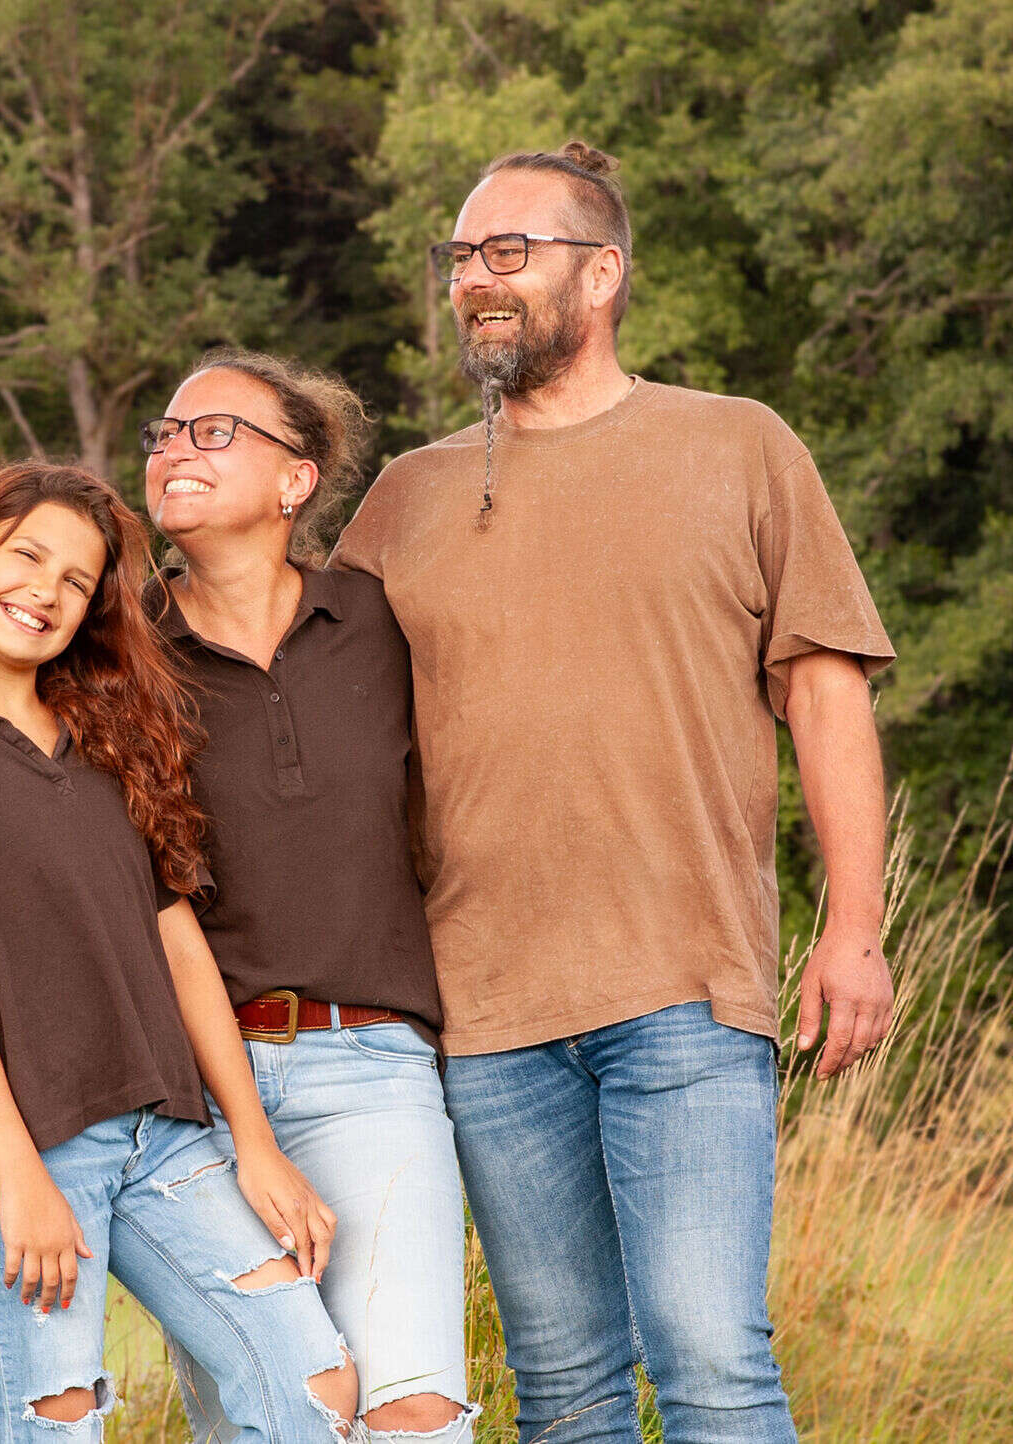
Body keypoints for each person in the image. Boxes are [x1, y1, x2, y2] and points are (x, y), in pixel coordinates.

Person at [331, 141, 896, 1444]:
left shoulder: (738, 447)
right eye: (459, 258)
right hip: (482, 1014)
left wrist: (854, 929)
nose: (473, 279)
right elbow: (306, 710)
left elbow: (825, 696)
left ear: (602, 275)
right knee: (565, 1386)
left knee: (709, 1359)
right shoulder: (407, 500)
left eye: (506, 251)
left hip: (685, 989)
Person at [0, 462, 361, 1443]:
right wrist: (17, 1173)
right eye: (26, 556)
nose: (45, 590)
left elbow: (179, 947)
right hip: (24, 1147)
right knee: (58, 1423)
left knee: (314, 1383)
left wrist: (253, 1141)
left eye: (76, 580)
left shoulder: (107, 739)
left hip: (164, 1132)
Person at [143, 348, 478, 1443]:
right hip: (196, 1090)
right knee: (279, 1412)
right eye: (163, 433)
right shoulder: (118, 651)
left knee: (414, 1408)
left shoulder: (380, 622)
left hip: (371, 1067)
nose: (175, 449)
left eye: (213, 431)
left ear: (297, 479)